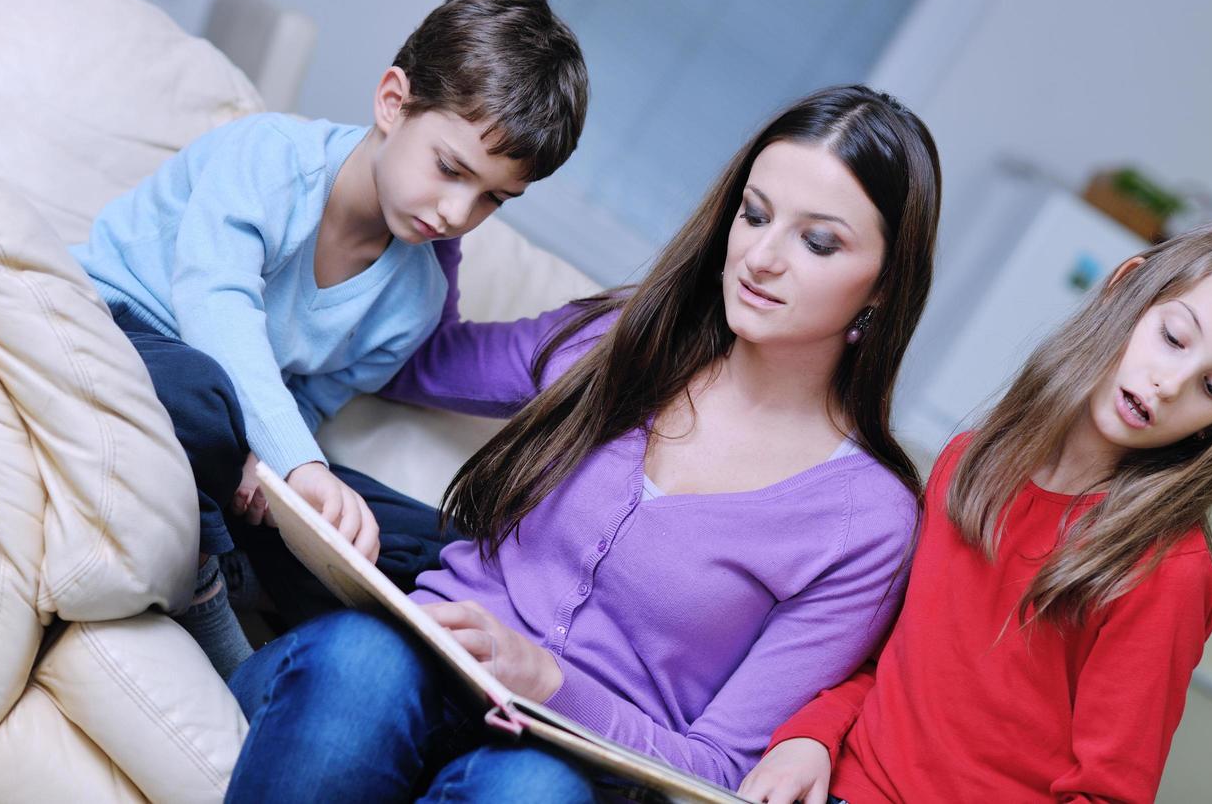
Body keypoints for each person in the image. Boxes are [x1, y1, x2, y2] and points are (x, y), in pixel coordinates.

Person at [224, 84, 943, 802]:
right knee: (363, 661)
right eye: (753, 216)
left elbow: (723, 769)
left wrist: (551, 685)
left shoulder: (867, 520)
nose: (761, 257)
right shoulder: (625, 339)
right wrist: (428, 202)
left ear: (884, 285)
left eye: (817, 241)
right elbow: (411, 354)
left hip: (567, 774)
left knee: (533, 790)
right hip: (391, 684)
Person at [69, 0, 588, 677]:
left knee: (433, 547)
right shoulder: (270, 158)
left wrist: (281, 473)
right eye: (449, 168)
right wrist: (291, 460)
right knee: (201, 394)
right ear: (392, 102)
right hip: (118, 335)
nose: (459, 212)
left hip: (233, 441)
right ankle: (208, 594)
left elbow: (309, 393)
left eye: (493, 198)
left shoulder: (416, 295)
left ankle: (226, 549)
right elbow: (215, 313)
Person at [740, 219, 1212, 803]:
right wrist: (810, 738)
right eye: (1174, 338)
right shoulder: (969, 463)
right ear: (1125, 287)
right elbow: (873, 654)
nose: (1172, 383)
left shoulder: (1165, 571)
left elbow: (1107, 794)